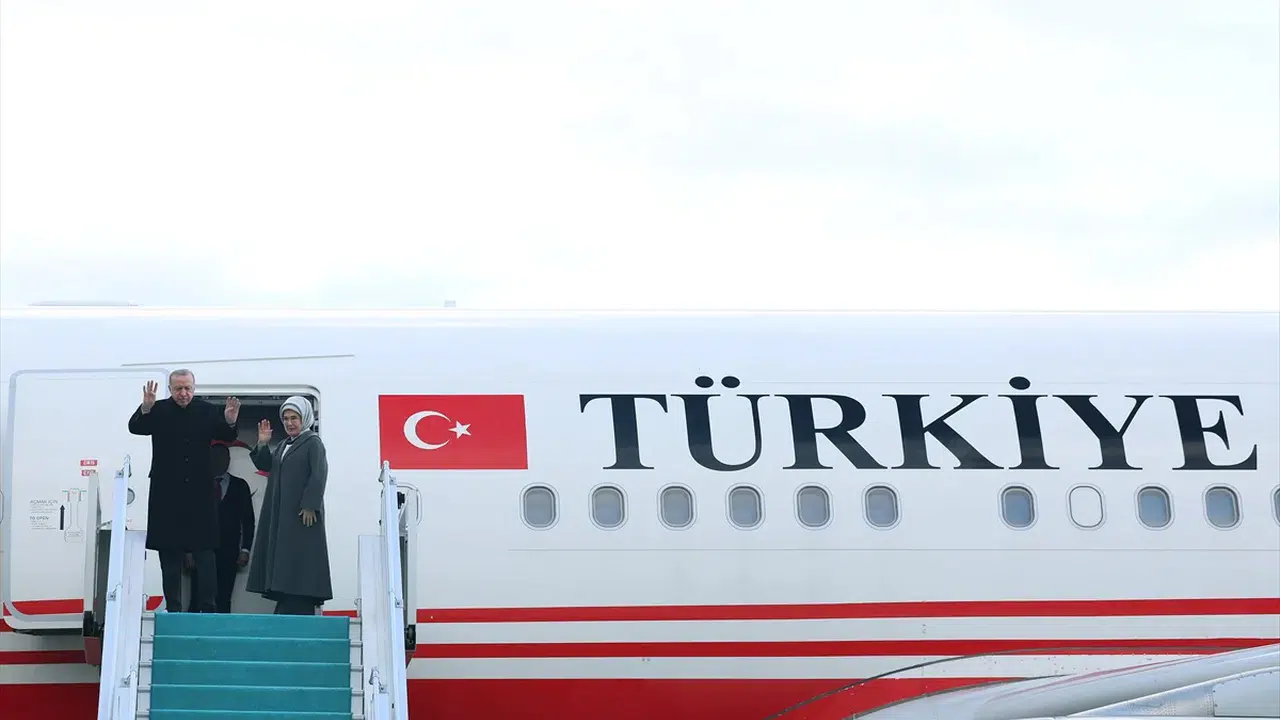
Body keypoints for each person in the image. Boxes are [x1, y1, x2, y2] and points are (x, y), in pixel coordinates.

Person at [127, 369, 241, 613]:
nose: (183, 393)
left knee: (205, 552)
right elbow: (135, 427)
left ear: (194, 388)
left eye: (187, 388)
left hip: (200, 494)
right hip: (167, 494)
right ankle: (174, 608)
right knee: (169, 554)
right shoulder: (158, 410)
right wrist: (145, 408)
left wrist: (230, 420)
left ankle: (208, 608)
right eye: (178, 388)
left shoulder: (207, 410)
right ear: (170, 389)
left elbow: (227, 435)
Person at [245, 396, 333, 615]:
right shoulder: (284, 444)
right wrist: (263, 443)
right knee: (285, 557)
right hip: (281, 513)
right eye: (285, 419)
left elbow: (319, 473)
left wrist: (310, 504)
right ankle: (286, 597)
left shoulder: (312, 442)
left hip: (301, 513)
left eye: (294, 418)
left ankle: (298, 600)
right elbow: (267, 465)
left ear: (305, 418)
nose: (289, 423)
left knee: (300, 558)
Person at [188, 443, 256, 614]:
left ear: (229, 460)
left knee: (224, 598)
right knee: (197, 598)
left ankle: (221, 630)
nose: (220, 461)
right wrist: (188, 551)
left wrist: (245, 549)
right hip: (202, 550)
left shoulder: (240, 486)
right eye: (216, 457)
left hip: (229, 551)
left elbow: (248, 521)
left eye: (224, 457)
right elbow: (189, 519)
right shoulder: (197, 485)